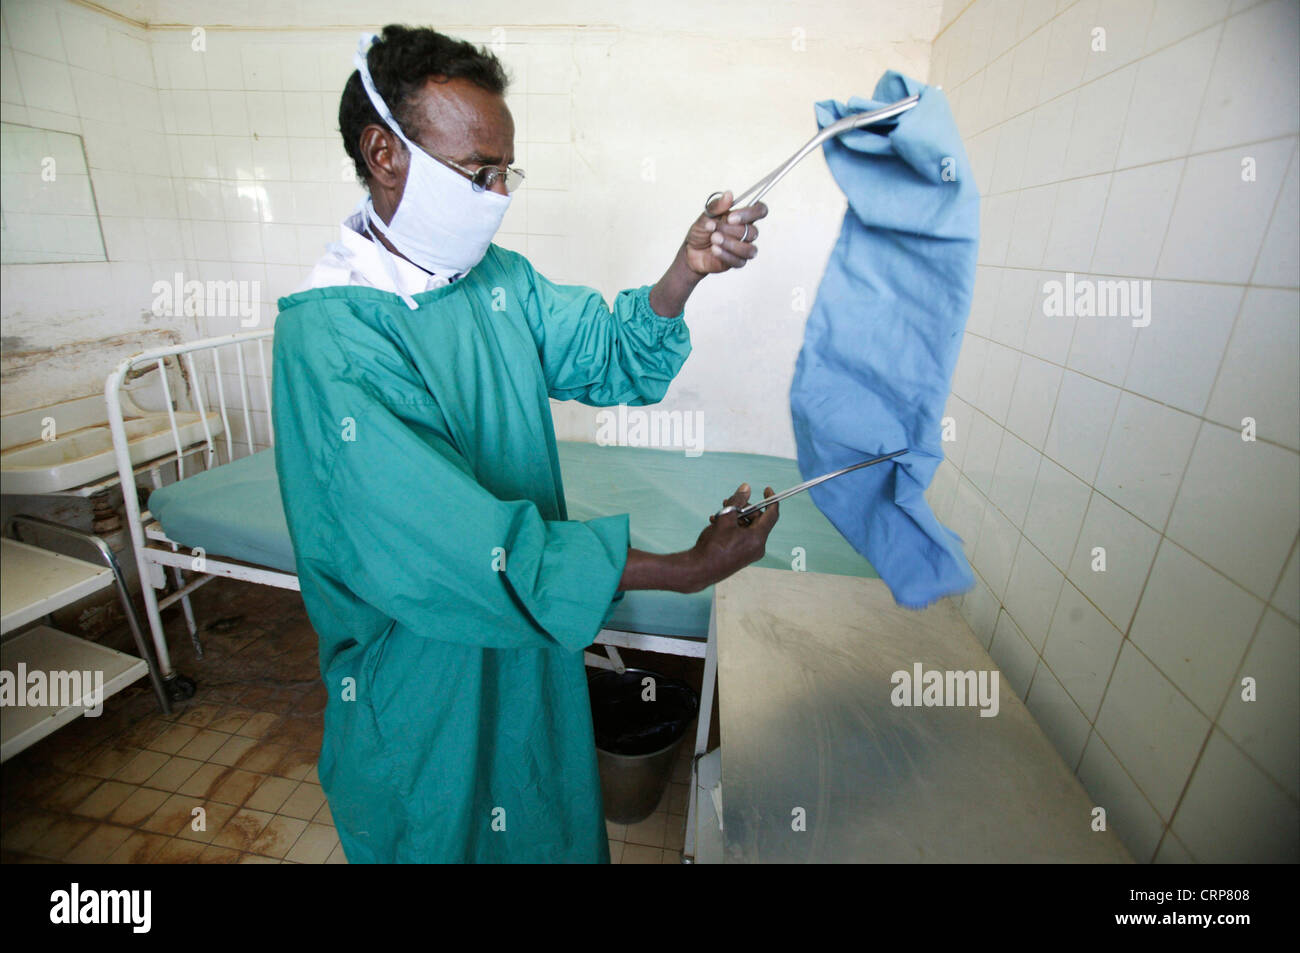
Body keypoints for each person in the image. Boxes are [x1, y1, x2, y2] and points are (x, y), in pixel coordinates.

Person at [271, 24, 778, 863]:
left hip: (529, 656)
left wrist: (687, 269)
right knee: (447, 836)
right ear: (384, 153)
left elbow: (611, 349)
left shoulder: (496, 281)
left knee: (544, 820)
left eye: (507, 170)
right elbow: (467, 553)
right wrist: (681, 569)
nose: (499, 192)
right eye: (479, 172)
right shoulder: (331, 339)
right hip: (427, 688)